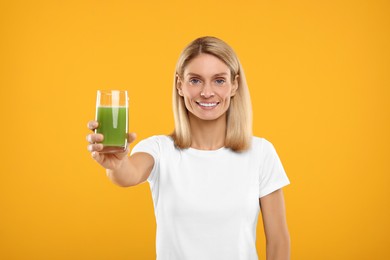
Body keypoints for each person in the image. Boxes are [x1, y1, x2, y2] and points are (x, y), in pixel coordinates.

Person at [87, 36, 290, 260]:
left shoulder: (261, 153)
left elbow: (279, 241)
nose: (206, 92)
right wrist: (116, 163)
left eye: (219, 80)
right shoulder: (159, 149)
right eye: (195, 80)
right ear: (179, 85)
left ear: (235, 85)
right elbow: (127, 175)